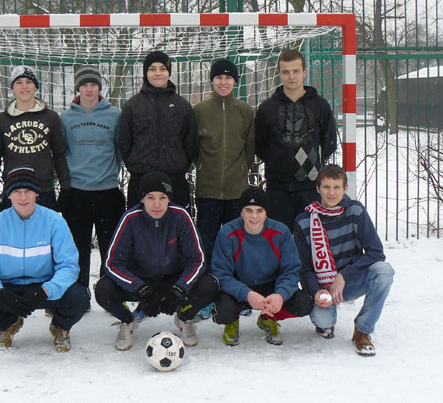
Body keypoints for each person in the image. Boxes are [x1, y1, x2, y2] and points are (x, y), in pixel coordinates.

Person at [0, 166, 89, 352]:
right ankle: (9, 323)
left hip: (43, 286)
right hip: (9, 288)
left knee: (80, 297)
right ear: (8, 195)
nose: (23, 197)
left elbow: (69, 266)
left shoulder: (54, 221)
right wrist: (0, 293)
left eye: (28, 190)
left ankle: (60, 326)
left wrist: (45, 291)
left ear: (37, 193)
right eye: (17, 191)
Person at [94, 171, 218, 350]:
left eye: (162, 197)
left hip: (173, 280)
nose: (157, 204)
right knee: (103, 289)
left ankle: (184, 317)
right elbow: (112, 263)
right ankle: (127, 320)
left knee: (210, 284)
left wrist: (179, 289)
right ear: (142, 199)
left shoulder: (180, 217)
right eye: (150, 197)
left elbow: (197, 260)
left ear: (169, 199)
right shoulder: (130, 219)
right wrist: (140, 288)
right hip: (140, 281)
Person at [294, 164, 394, 356]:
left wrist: (344, 276)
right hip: (322, 286)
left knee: (384, 271)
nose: (331, 193)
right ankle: (326, 322)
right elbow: (304, 268)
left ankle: (362, 330)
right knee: (323, 320)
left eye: (337, 187)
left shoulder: (355, 212)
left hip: (350, 282)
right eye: (326, 187)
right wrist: (316, 291)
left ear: (345, 188)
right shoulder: (303, 221)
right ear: (318, 188)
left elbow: (376, 252)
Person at [212, 186, 313, 346]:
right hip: (240, 286)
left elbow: (291, 271)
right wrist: (247, 294)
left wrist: (280, 295)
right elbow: (221, 274)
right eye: (248, 210)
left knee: (304, 303)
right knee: (223, 309)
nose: (254, 216)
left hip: (271, 286)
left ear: (266, 212)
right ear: (241, 212)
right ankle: (232, 322)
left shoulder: (281, 232)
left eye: (259, 210)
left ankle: (268, 317)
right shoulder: (227, 232)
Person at [255, 49, 337, 232]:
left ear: (304, 72)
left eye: (296, 71)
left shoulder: (320, 106)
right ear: (279, 73)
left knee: (310, 238)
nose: (291, 76)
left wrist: (310, 165)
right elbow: (260, 146)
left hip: (310, 187)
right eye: (286, 72)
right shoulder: (267, 108)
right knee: (279, 239)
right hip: (277, 188)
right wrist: (279, 161)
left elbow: (329, 143)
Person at [60, 65, 126, 290]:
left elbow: (119, 150)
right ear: (78, 88)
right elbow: (63, 152)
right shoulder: (66, 118)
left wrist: (110, 175)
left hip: (107, 191)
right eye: (84, 85)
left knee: (110, 248)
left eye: (93, 84)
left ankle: (108, 292)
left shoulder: (114, 115)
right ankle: (80, 292)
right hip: (78, 192)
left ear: (100, 87)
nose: (89, 89)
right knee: (77, 248)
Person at [193, 58, 255, 266]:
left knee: (235, 242)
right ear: (212, 80)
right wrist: (204, 168)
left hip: (236, 192)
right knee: (206, 243)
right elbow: (193, 149)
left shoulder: (245, 111)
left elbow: (249, 150)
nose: (223, 82)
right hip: (207, 192)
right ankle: (207, 280)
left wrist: (240, 169)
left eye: (228, 78)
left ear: (235, 81)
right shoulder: (200, 111)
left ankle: (232, 280)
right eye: (218, 77)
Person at [119, 50, 197, 210]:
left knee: (176, 225)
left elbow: (190, 143)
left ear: (169, 72)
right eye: (152, 69)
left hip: (174, 181)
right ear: (145, 72)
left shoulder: (182, 106)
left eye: (162, 68)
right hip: (140, 180)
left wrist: (178, 164)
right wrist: (136, 165)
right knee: (140, 225)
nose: (158, 73)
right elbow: (125, 142)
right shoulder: (132, 106)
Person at [0, 65, 71, 211]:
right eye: (19, 82)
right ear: (12, 88)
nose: (24, 86)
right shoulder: (1, 119)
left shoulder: (51, 117)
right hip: (14, 191)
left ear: (36, 86)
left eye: (29, 82)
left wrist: (65, 187)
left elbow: (59, 155)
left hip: (44, 191)